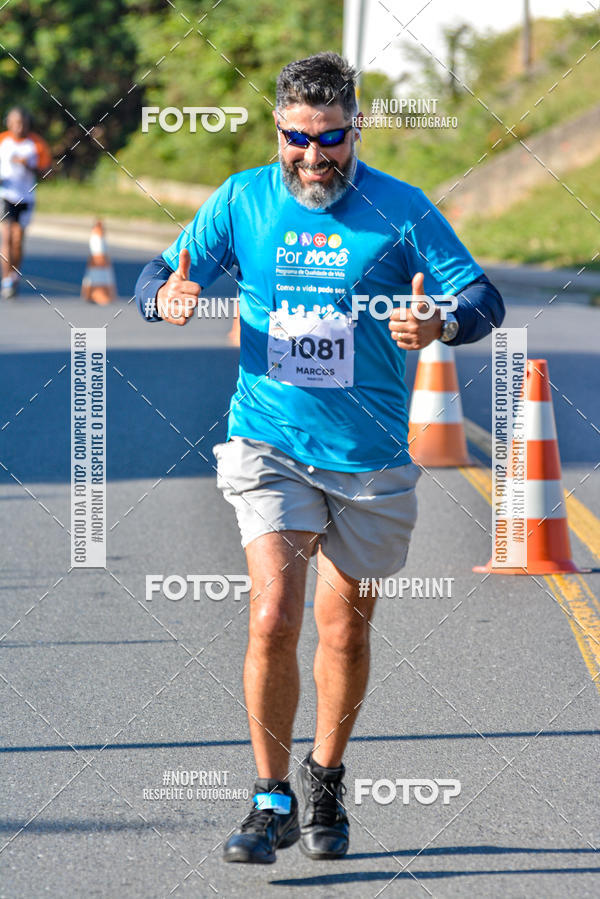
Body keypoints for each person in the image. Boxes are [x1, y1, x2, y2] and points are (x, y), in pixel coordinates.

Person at [135, 52, 504, 864]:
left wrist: (441, 322)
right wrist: (164, 296)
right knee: (273, 614)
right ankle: (270, 798)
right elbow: (159, 272)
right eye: (295, 139)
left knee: (345, 628)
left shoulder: (401, 209)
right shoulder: (242, 198)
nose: (311, 157)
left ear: (355, 127)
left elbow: (483, 297)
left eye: (329, 138)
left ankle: (327, 777)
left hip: (369, 459)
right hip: (268, 441)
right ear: (278, 129)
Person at [0, 106, 51, 299]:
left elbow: (47, 170)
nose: (19, 127)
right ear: (9, 123)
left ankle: (14, 275)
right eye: (15, 123)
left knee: (18, 238)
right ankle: (6, 279)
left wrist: (29, 165)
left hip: (26, 197)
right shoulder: (2, 141)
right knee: (6, 237)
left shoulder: (36, 143)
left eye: (23, 123)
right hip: (5, 195)